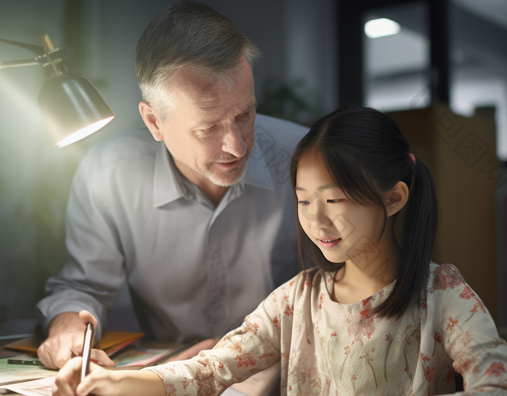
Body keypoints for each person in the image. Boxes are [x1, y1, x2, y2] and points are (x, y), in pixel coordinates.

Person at [53, 107, 507, 396]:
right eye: (304, 201)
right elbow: (211, 370)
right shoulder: (297, 298)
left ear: (394, 198)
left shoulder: (442, 294)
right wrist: (112, 384)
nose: (317, 221)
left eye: (336, 200)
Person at [35, 2, 307, 371]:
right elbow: (85, 287)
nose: (238, 146)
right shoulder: (109, 173)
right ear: (154, 121)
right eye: (208, 128)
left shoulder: (302, 158)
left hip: (286, 373)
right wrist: (67, 325)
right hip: (168, 380)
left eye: (245, 115)